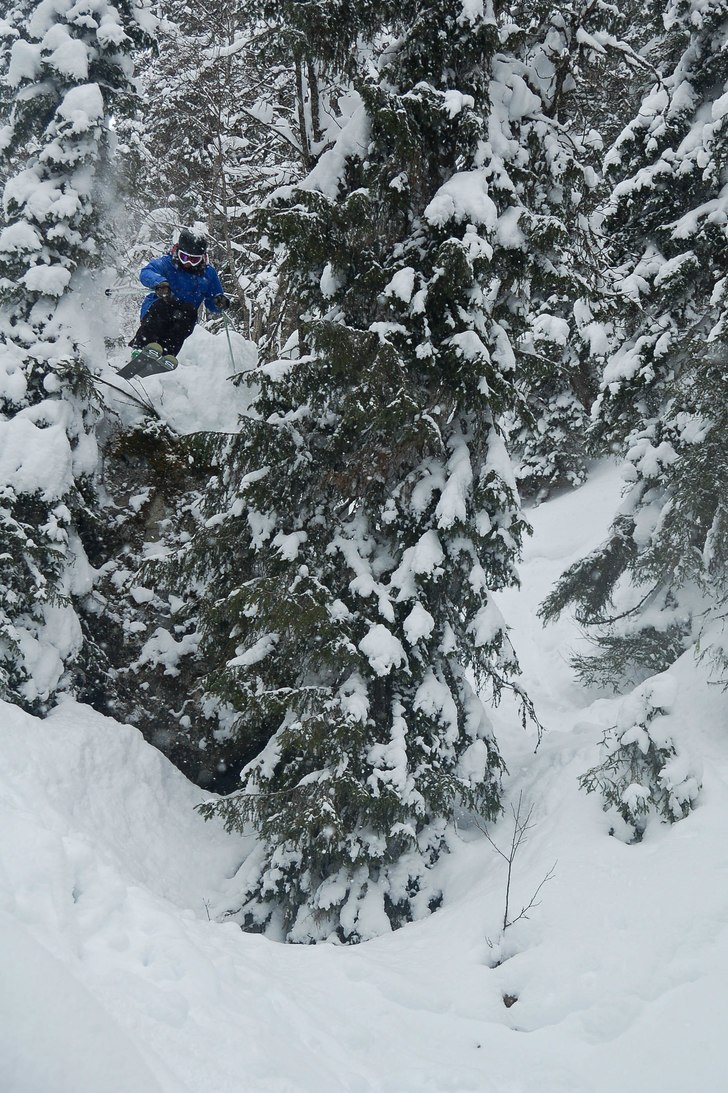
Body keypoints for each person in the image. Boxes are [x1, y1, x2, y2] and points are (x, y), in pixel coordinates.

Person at [129, 227, 230, 363]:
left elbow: (213, 300)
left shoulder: (208, 273)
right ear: (177, 251)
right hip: (158, 309)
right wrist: (160, 283)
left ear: (202, 258)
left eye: (194, 260)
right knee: (163, 309)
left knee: (188, 317)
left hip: (183, 316)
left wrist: (219, 302)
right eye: (184, 257)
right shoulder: (167, 263)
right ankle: (141, 347)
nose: (188, 263)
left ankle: (166, 356)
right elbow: (146, 272)